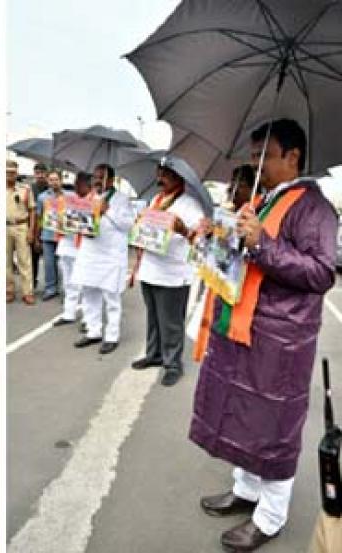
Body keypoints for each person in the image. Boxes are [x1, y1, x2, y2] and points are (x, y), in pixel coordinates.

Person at [189, 119, 338, 551]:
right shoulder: (263, 200)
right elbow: (240, 252)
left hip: (281, 337)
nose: (256, 164)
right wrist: (215, 236)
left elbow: (321, 272)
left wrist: (261, 245)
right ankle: (246, 490)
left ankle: (270, 516)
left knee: (274, 422)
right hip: (246, 324)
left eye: (265, 156)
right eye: (253, 156)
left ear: (293, 157)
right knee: (242, 410)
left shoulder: (314, 207)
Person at [126, 157, 207, 387]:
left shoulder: (190, 205)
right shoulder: (155, 200)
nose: (160, 179)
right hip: (150, 269)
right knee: (153, 317)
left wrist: (183, 229)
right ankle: (154, 354)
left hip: (173, 273)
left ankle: (173, 364)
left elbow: (199, 240)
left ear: (178, 178)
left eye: (165, 174)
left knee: (171, 321)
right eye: (159, 173)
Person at [70, 163, 131, 354]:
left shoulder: (122, 199)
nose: (96, 180)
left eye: (101, 177)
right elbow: (77, 219)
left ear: (111, 180)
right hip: (90, 252)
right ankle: (93, 331)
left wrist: (108, 211)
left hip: (111, 255)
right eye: (95, 177)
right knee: (88, 292)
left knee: (111, 297)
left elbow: (128, 225)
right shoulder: (88, 197)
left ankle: (112, 336)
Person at [54, 172, 94, 326]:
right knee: (68, 282)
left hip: (82, 248)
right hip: (65, 245)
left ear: (87, 184)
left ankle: (88, 317)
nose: (76, 185)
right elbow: (56, 219)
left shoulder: (94, 201)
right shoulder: (67, 200)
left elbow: (91, 227)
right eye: (76, 182)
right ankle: (68, 313)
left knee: (84, 284)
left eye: (79, 183)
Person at [5, 160, 37, 305]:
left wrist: (31, 230)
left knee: (25, 260)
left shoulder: (25, 189)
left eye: (12, 172)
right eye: (7, 172)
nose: (10, 175)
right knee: (6, 262)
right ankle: (9, 290)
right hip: (5, 227)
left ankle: (27, 292)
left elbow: (32, 210)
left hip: (21, 226)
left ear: (17, 173)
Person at [35, 169, 64, 301]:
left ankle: (64, 289)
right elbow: (39, 217)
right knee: (49, 263)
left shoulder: (69, 196)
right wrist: (37, 237)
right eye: (51, 180)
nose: (53, 182)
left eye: (56, 179)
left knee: (64, 264)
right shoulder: (42, 197)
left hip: (64, 236)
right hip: (47, 235)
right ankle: (50, 289)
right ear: (48, 181)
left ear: (61, 180)